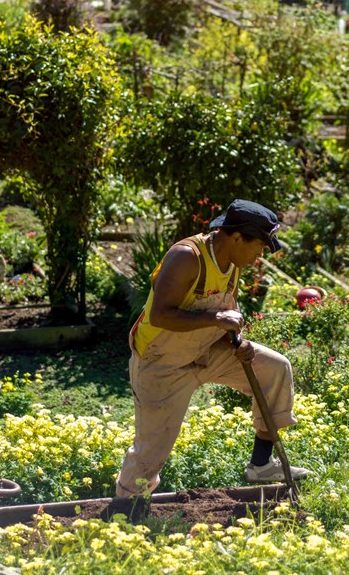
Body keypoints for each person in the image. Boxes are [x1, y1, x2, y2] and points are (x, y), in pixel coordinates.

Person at [113, 199, 311, 508]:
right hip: (161, 363)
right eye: (258, 247)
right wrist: (215, 320)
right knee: (152, 450)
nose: (260, 256)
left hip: (207, 352)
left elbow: (224, 311)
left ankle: (260, 465)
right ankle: (127, 508)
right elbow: (160, 317)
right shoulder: (186, 257)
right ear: (235, 237)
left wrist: (238, 341)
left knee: (274, 368)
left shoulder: (232, 262)